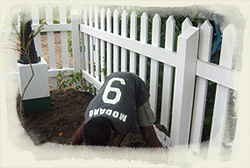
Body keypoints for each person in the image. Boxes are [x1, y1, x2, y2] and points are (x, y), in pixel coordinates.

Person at [71, 72, 163, 147]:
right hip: (112, 81)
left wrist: (115, 146)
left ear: (112, 134)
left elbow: (123, 129)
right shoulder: (89, 116)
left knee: (148, 135)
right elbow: (82, 131)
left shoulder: (125, 120)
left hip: (135, 86)